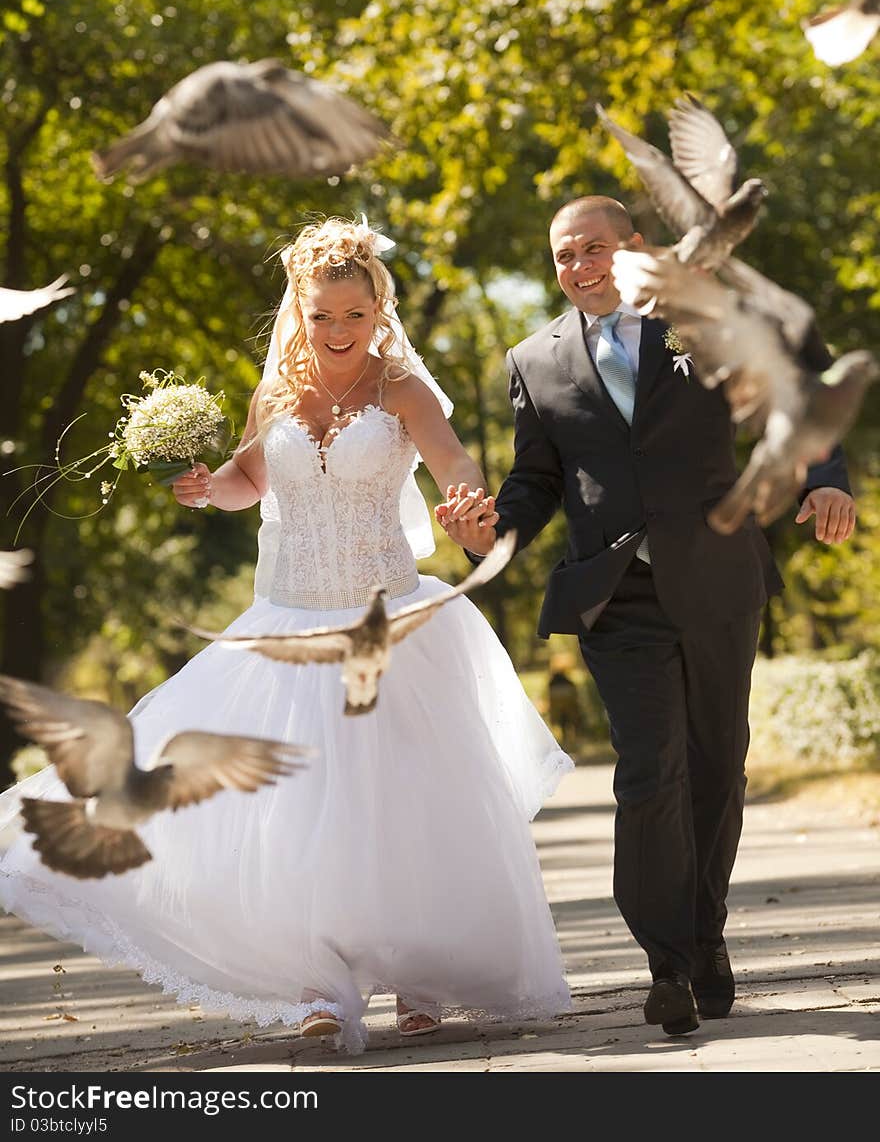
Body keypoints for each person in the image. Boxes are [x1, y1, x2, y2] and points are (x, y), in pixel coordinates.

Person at [0, 218, 572, 1054]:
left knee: (408, 806)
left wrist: (466, 502)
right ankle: (321, 985)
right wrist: (204, 487)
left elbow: (453, 463)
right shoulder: (273, 394)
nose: (339, 334)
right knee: (299, 815)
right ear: (298, 313)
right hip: (291, 621)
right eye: (322, 317)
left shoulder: (402, 389)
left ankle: (423, 977)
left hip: (389, 623)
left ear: (380, 311)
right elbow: (245, 481)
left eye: (355, 316)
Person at [437, 194, 855, 1038]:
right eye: (562, 256)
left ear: (633, 247)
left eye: (592, 248)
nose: (578, 267)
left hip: (719, 575)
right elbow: (537, 481)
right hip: (612, 593)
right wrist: (491, 530)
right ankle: (665, 964)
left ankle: (706, 936)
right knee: (647, 768)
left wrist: (827, 477)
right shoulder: (534, 358)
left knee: (717, 765)